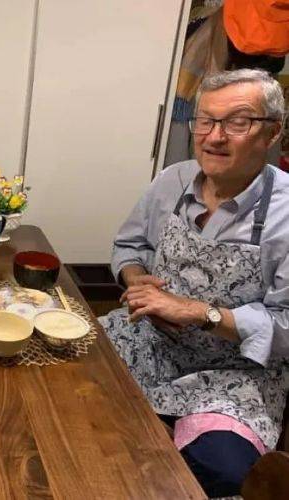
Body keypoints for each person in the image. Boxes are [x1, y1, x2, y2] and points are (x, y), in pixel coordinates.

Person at [101, 68, 289, 497]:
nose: (214, 136)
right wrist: (138, 284)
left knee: (219, 471)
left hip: (236, 374)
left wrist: (198, 313)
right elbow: (128, 246)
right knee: (72, 395)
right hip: (149, 341)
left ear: (272, 132)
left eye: (237, 122)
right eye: (205, 120)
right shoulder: (173, 179)